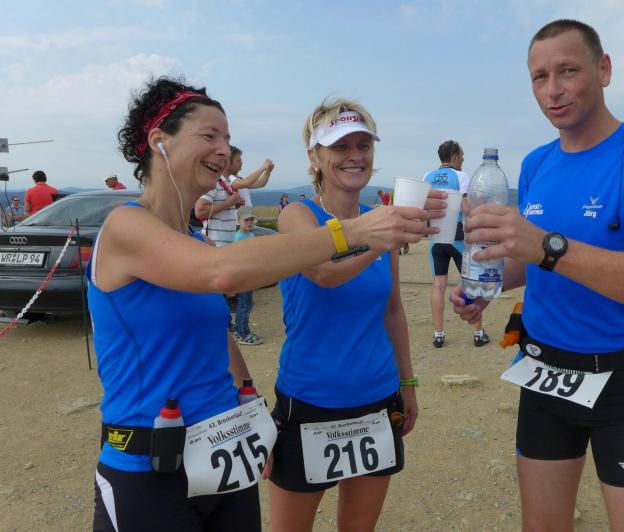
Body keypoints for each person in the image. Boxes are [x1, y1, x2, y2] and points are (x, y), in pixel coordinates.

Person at [90, 77, 440, 531]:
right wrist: (359, 233)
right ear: (160, 141)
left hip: (222, 450)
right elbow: (225, 271)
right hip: (150, 462)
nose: (224, 150)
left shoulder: (193, 239)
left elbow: (218, 333)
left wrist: (252, 408)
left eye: (228, 139)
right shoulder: (125, 225)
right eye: (210, 135)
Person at [450, 20, 624, 531]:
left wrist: (547, 245)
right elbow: (532, 261)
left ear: (603, 70)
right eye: (539, 77)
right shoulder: (537, 164)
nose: (553, 90)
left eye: (568, 71)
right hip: (544, 374)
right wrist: (487, 283)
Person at [267, 97, 427, 532]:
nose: (354, 156)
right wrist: (379, 240)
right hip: (310, 400)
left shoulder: (380, 221)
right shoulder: (298, 215)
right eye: (340, 146)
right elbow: (323, 272)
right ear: (314, 157)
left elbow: (393, 311)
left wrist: (408, 384)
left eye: (363, 145)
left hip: (377, 397)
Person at [423, 140, 490, 348]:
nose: (462, 159)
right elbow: (465, 205)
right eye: (461, 156)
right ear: (453, 156)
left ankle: (438, 334)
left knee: (438, 285)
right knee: (470, 284)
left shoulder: (427, 176)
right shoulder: (461, 176)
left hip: (436, 240)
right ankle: (478, 333)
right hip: (458, 239)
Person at [194, 151, 245, 247]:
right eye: (238, 161)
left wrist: (235, 204)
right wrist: (227, 204)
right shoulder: (213, 182)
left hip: (226, 243)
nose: (242, 163)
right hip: (214, 244)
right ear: (228, 163)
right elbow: (200, 211)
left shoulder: (229, 183)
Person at [232, 206, 263, 345]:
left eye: (251, 220)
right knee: (244, 304)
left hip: (250, 274)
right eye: (246, 220)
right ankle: (242, 333)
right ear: (238, 221)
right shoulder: (239, 237)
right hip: (243, 275)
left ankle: (240, 330)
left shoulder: (250, 234)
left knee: (247, 303)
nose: (250, 223)